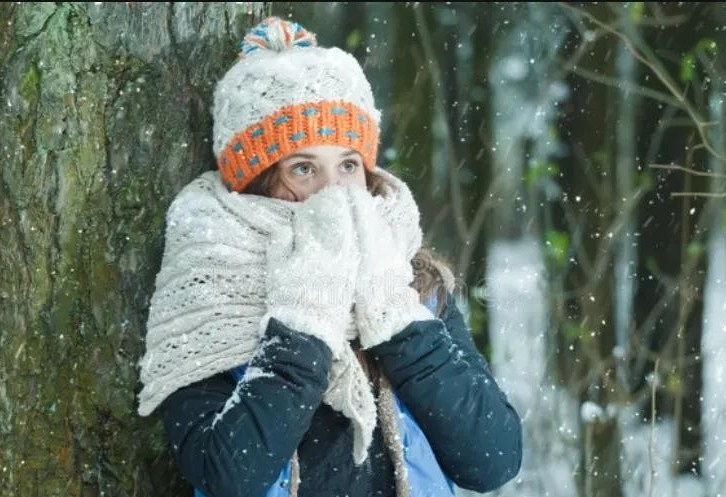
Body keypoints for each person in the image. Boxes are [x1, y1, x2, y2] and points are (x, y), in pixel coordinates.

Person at [137, 16, 522, 497]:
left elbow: (493, 459)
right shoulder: (211, 290)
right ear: (256, 186)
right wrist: (304, 318)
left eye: (347, 165)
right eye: (303, 168)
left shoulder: (412, 280)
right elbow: (228, 477)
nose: (334, 192)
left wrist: (393, 315)